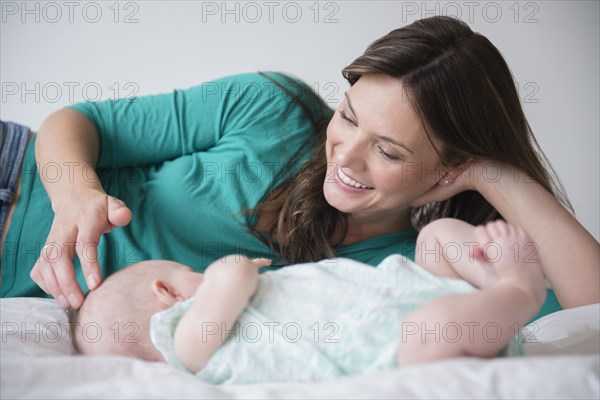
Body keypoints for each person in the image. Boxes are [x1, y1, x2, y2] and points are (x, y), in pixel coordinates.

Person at [1, 16, 598, 317]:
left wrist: (498, 175)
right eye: (348, 116)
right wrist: (76, 192)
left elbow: (589, 311)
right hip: (15, 176)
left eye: (389, 151)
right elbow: (77, 123)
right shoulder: (272, 107)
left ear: (449, 171)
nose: (346, 156)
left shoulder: (413, 271)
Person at [69, 218, 547, 384]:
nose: (201, 276)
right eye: (187, 274)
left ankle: (489, 281)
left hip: (403, 290)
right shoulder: (186, 345)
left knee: (439, 235)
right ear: (167, 293)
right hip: (399, 343)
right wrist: (223, 271)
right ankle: (519, 292)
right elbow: (232, 280)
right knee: (428, 333)